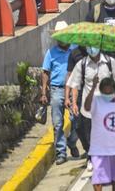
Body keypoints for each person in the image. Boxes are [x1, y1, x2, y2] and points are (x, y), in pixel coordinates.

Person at [67, 46, 115, 154]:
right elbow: (75, 85)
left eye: (94, 45)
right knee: (86, 133)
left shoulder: (110, 61)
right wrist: (74, 103)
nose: (91, 48)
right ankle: (91, 156)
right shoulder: (82, 64)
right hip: (89, 109)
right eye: (89, 46)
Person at [42, 21, 79, 164]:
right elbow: (45, 72)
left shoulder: (75, 50)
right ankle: (61, 153)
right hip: (57, 89)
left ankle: (72, 141)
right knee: (58, 123)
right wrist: (44, 92)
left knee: (76, 119)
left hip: (73, 88)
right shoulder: (51, 53)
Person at [85, 77, 115, 191]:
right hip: (99, 149)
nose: (107, 94)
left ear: (114, 90)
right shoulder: (96, 100)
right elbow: (86, 107)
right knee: (98, 179)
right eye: (105, 91)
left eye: (110, 91)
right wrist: (93, 87)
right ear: (101, 91)